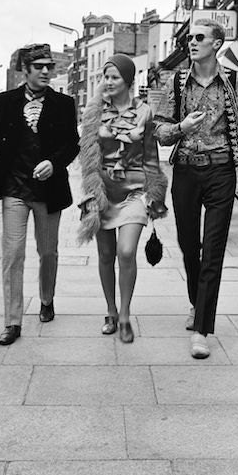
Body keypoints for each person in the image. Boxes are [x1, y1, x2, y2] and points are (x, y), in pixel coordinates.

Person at [153, 18, 238, 359]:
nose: (192, 42)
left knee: (213, 251)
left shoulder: (234, 82)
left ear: (217, 43)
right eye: (190, 38)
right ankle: (195, 302)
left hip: (220, 172)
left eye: (199, 37)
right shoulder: (177, 80)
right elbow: (159, 129)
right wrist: (180, 127)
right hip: (185, 171)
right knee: (189, 246)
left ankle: (201, 329)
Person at [0, 43, 80, 346]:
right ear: (26, 69)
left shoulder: (63, 103)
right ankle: (13, 321)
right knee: (13, 254)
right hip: (14, 188)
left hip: (49, 190)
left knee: (47, 252)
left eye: (49, 66)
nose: (46, 71)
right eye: (39, 66)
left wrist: (54, 163)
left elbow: (71, 143)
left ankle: (46, 299)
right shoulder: (6, 101)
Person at [77, 54, 168, 343]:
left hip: (135, 191)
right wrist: (91, 192)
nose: (108, 81)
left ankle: (126, 314)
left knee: (126, 251)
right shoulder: (94, 113)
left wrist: (155, 196)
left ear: (128, 80)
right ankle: (111, 311)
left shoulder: (145, 113)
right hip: (103, 191)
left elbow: (152, 158)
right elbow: (89, 158)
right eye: (106, 76)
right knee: (105, 255)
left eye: (114, 76)